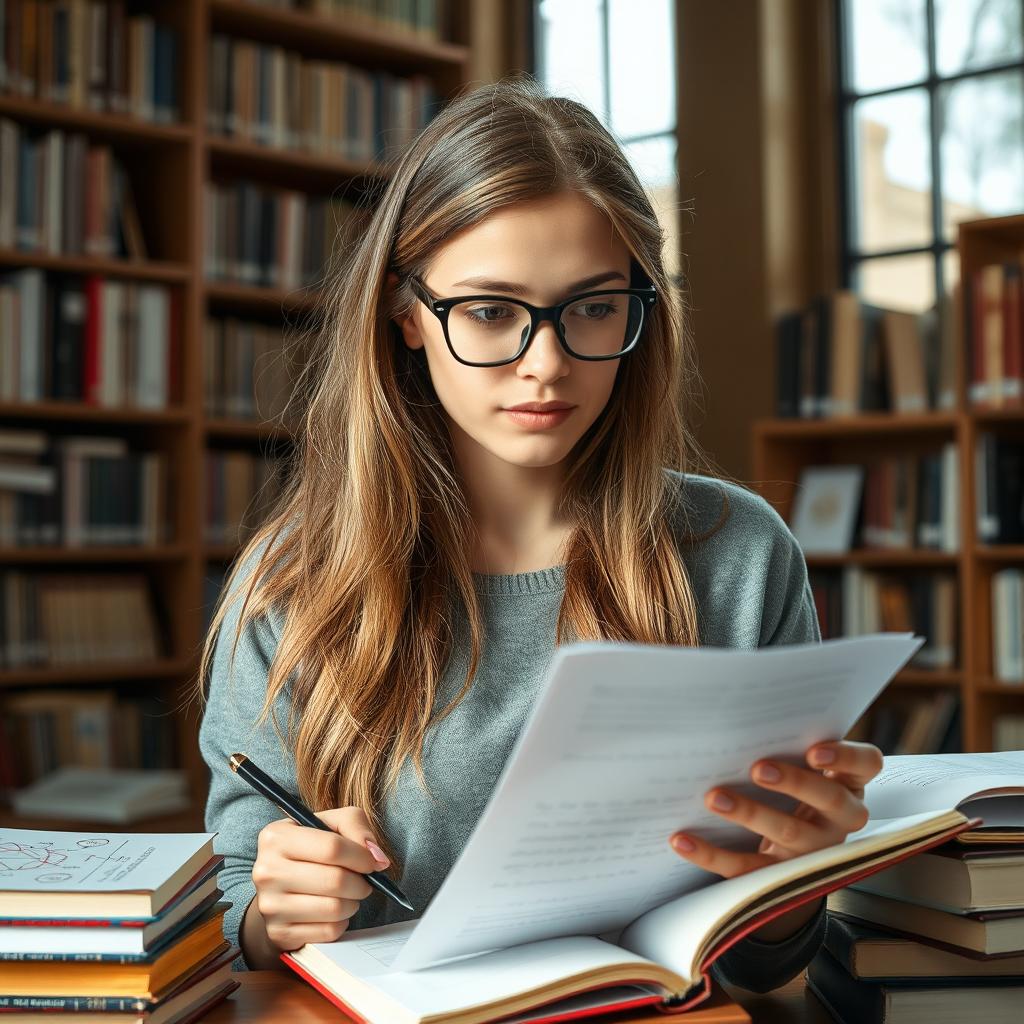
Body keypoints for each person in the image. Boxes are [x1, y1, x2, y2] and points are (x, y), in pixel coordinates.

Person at [198, 74, 883, 990]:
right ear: (407, 316)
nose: (547, 364)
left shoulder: (738, 554)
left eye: (593, 307)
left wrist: (793, 886)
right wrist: (267, 913)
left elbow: (766, 966)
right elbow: (230, 904)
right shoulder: (292, 580)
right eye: (489, 312)